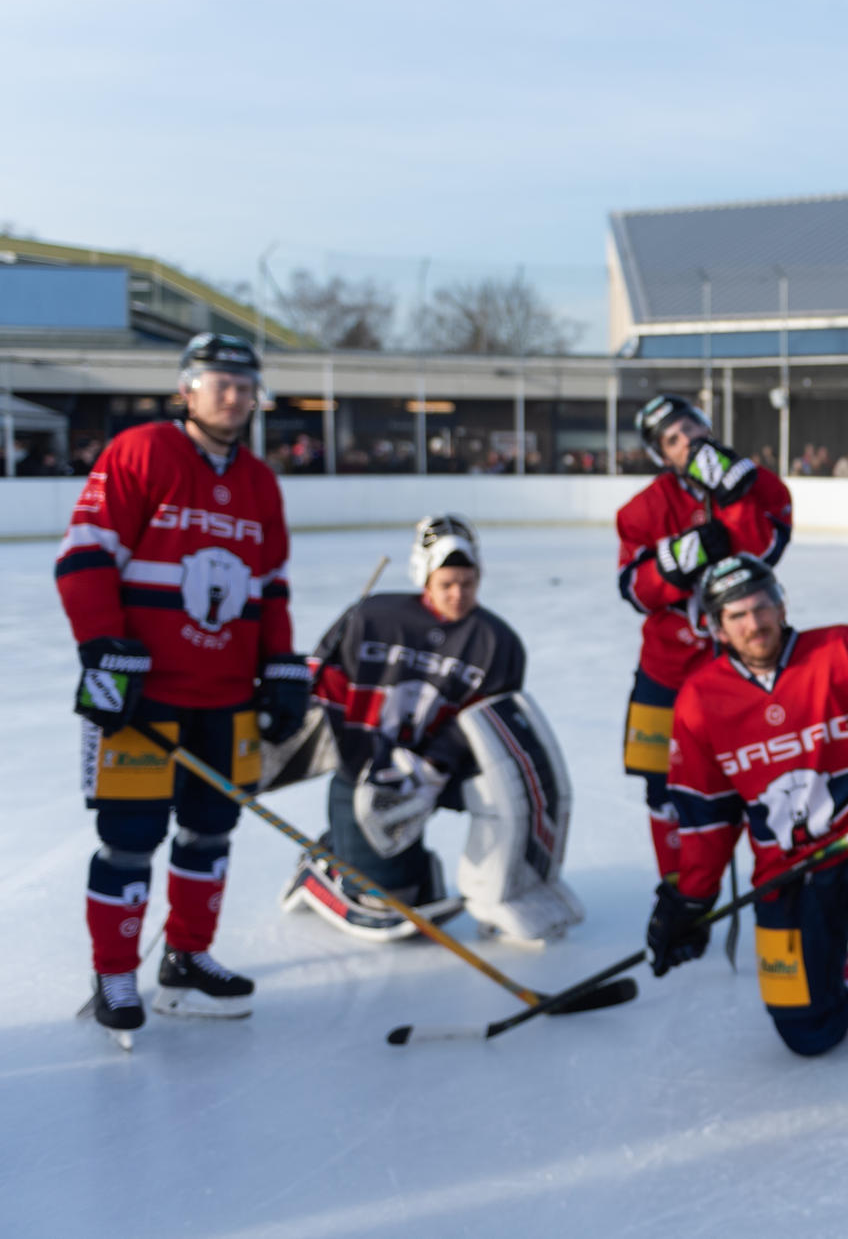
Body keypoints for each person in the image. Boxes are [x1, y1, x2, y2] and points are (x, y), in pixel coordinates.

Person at [55, 332, 311, 1042]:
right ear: (185, 389)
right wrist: (104, 648)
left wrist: (282, 664)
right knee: (129, 838)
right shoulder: (142, 451)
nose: (234, 394)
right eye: (218, 381)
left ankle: (187, 956)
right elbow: (84, 553)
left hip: (226, 696)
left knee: (211, 832)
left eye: (245, 383)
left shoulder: (260, 481)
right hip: (146, 694)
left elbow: (271, 586)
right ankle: (114, 972)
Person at [650, 555, 848, 1118]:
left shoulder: (841, 650)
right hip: (787, 871)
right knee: (810, 1032)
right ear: (718, 627)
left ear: (782, 603)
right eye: (737, 615)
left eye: (762, 606)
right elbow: (706, 815)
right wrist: (688, 899)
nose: (754, 623)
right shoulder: (700, 698)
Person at [278, 515, 584, 944]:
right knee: (390, 891)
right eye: (447, 584)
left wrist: (431, 766)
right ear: (424, 578)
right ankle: (322, 864)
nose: (459, 594)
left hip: (441, 770)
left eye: (468, 582)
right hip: (369, 771)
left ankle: (503, 895)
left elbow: (492, 723)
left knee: (511, 794)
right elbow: (321, 683)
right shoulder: (372, 617)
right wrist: (359, 755)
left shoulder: (498, 641)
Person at [615, 395, 794, 888]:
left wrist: (735, 497)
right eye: (671, 439)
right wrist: (678, 559)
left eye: (690, 428)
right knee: (662, 787)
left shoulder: (760, 484)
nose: (686, 441)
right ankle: (678, 893)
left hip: (746, 668)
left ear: (707, 426)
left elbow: (765, 551)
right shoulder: (642, 509)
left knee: (766, 778)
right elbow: (634, 589)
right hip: (665, 671)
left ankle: (780, 884)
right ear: (661, 455)